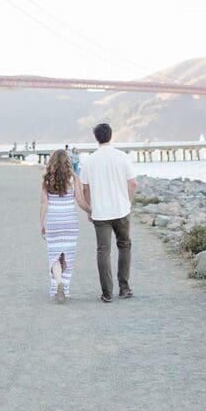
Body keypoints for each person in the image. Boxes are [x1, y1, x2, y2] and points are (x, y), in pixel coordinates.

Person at [80, 123, 137, 303]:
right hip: (121, 210)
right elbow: (134, 183)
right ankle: (124, 288)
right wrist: (128, 202)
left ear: (96, 138)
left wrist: (90, 208)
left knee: (103, 251)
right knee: (124, 246)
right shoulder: (122, 157)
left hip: (100, 213)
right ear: (111, 136)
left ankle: (107, 293)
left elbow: (85, 189)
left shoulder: (89, 160)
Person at [39, 149, 91, 303]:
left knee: (54, 255)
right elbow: (80, 201)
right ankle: (64, 288)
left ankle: (58, 282)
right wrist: (91, 211)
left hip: (54, 220)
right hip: (70, 221)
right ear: (68, 162)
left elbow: (43, 203)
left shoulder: (46, 179)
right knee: (67, 255)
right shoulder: (73, 178)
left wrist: (41, 224)